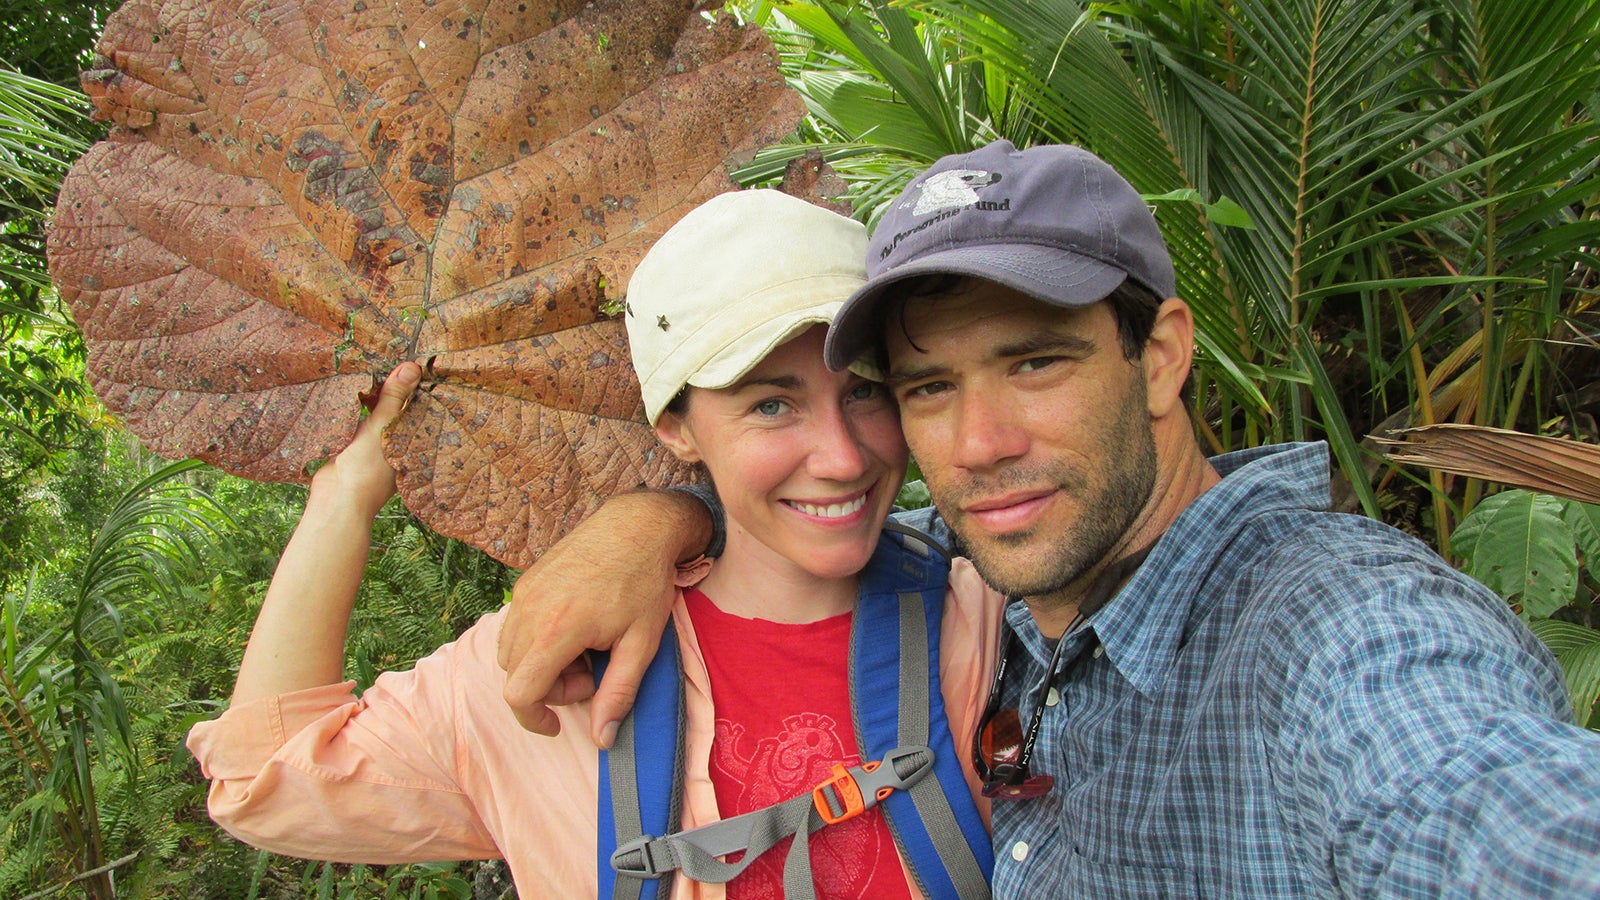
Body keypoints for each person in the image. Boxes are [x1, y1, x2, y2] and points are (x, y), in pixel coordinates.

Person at [496, 141, 1600, 896]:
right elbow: (799, 513)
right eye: (926, 387)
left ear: (1158, 357)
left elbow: (1476, 802)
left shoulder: (1335, 632)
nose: (979, 444)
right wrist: (660, 517)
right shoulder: (993, 590)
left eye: (1036, 363)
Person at [185, 190, 1006, 898]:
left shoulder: (992, 620)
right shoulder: (548, 671)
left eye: (864, 392)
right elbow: (262, 783)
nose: (842, 457)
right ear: (676, 427)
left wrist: (659, 516)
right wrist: (342, 502)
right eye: (770, 405)